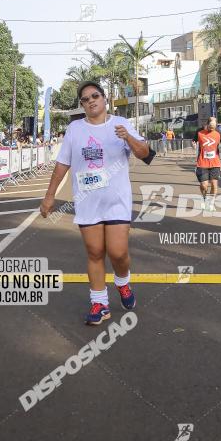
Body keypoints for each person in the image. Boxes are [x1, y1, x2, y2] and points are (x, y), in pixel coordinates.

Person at [40, 81, 149, 326]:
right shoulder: (74, 129)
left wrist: (128, 137)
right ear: (82, 105)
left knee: (118, 253)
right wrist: (49, 196)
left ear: (104, 98)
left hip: (117, 201)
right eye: (85, 99)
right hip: (88, 202)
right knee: (95, 253)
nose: (90, 101)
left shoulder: (121, 124)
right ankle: (99, 303)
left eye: (95, 96)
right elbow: (62, 165)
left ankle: (123, 283)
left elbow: (145, 153)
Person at [194, 117, 221, 212]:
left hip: (215, 163)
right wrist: (193, 144)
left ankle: (211, 203)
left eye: (214, 127)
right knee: (204, 185)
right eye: (211, 127)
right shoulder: (199, 132)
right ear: (207, 124)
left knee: (214, 184)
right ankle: (204, 199)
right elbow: (194, 140)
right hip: (202, 162)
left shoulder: (218, 133)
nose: (212, 129)